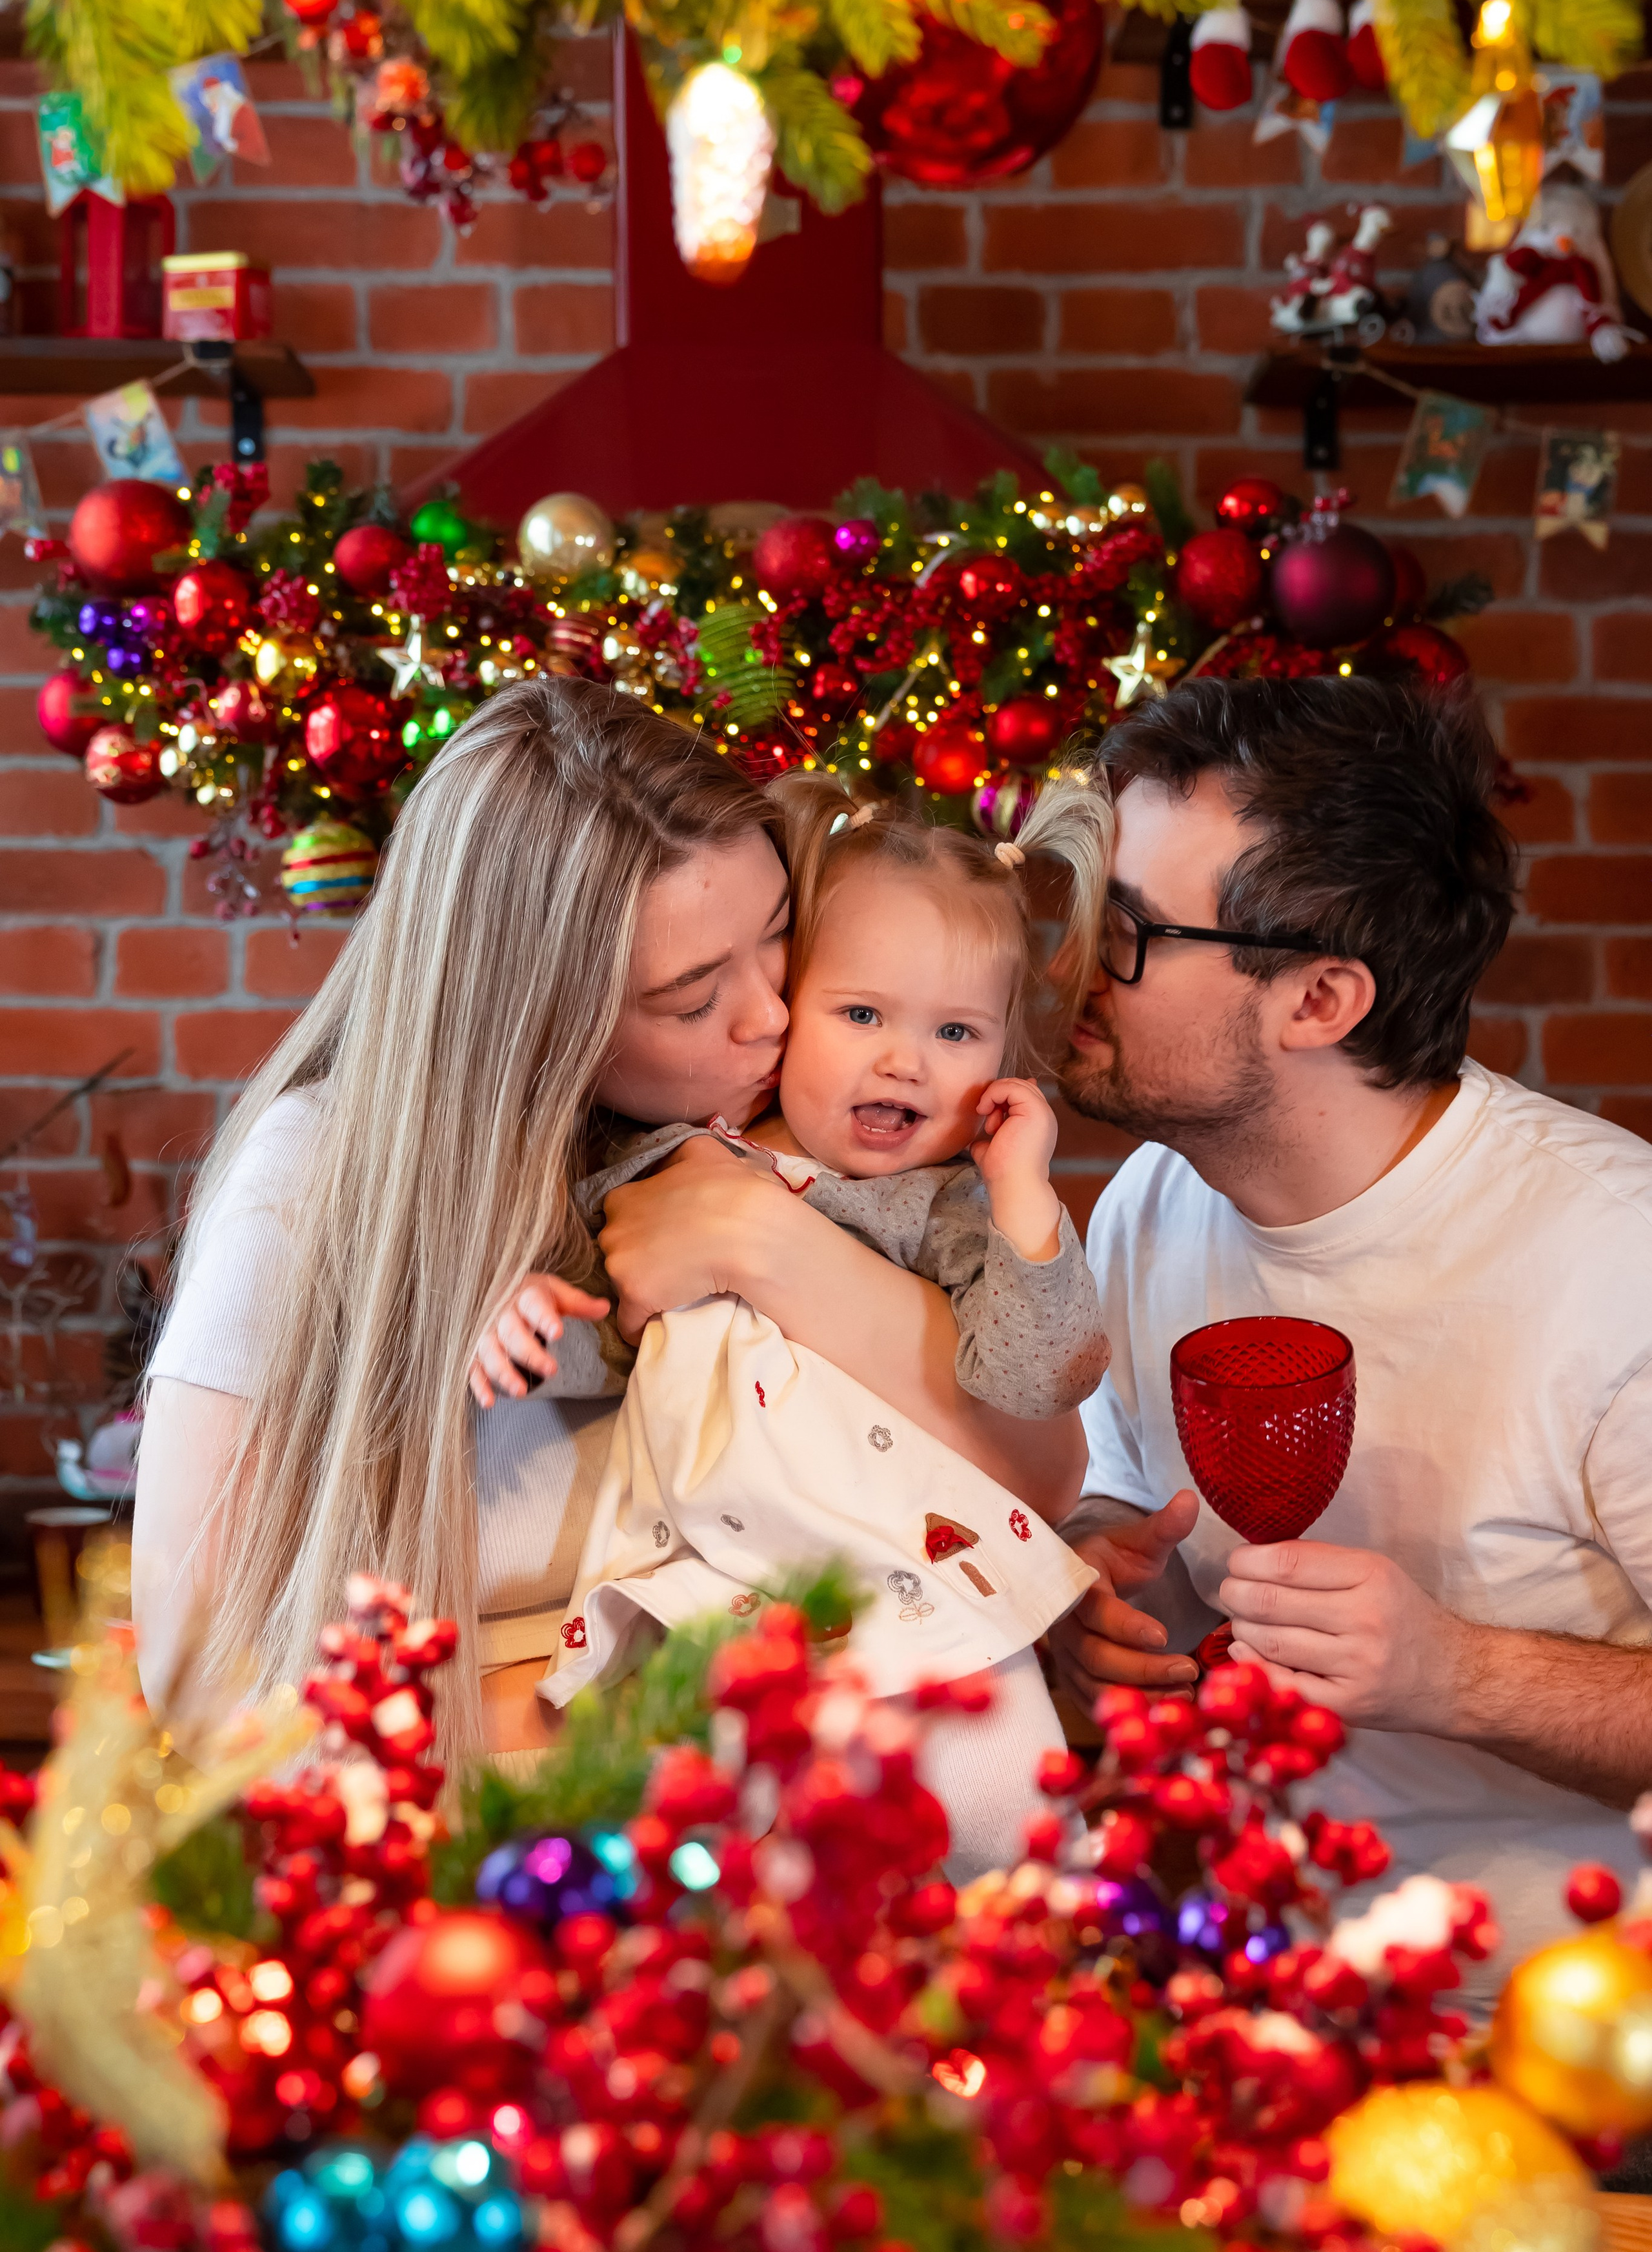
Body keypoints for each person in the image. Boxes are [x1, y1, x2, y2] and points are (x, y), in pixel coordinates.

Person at [135, 678, 1081, 1764]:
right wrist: (605, 1731)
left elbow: (1038, 1474)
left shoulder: (789, 1139)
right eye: (689, 997)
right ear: (537, 1018)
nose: (769, 1014)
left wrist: (755, 1240)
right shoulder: (313, 1178)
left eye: (778, 937)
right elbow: (195, 1669)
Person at [1049, 669, 1652, 1981]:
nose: (1073, 960)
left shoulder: (1616, 1261)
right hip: (1259, 1979)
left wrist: (1460, 1675)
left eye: (1131, 932)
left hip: (1563, 2039)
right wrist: (1098, 1572)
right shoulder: (1157, 1195)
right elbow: (1116, 1492)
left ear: (1318, 1002)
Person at [525, 776, 1114, 1869]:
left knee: (998, 1840)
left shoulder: (944, 1210)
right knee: (715, 1872)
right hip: (713, 1582)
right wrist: (510, 1312)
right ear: (789, 1014)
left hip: (918, 1585)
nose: (906, 1060)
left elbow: (1035, 1379)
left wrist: (1028, 1197)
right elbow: (593, 1322)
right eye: (861, 1015)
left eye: (956, 1031)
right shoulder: (666, 1160)